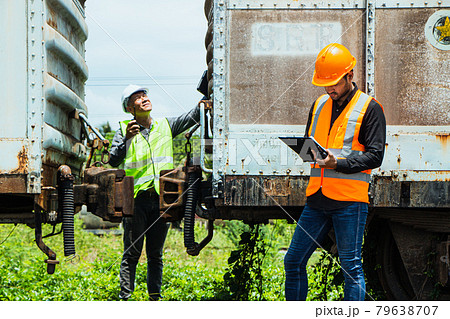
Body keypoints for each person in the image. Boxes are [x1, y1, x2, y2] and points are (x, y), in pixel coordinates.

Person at [284, 43, 386, 301]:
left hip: (350, 201)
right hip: (317, 198)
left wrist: (337, 164)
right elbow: (314, 143)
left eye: (335, 82)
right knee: (293, 260)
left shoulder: (370, 108)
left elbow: (376, 156)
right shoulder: (319, 105)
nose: (330, 88)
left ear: (350, 75)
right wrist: (306, 151)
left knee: (351, 267)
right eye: (325, 83)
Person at [109, 84, 200, 300]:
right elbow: (113, 159)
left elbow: (194, 115)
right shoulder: (123, 130)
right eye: (138, 98)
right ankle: (125, 298)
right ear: (130, 109)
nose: (144, 99)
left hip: (162, 200)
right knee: (131, 253)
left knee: (155, 255)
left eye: (144, 95)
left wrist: (211, 90)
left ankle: (155, 299)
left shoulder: (165, 126)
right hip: (137, 201)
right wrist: (128, 140)